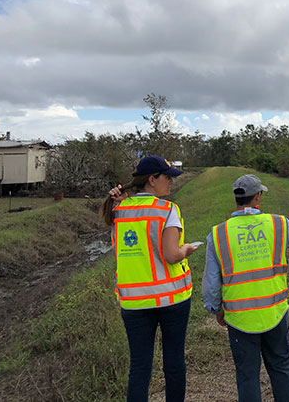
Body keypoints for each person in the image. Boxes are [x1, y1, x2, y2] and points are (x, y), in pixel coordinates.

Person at [202, 174, 289, 402]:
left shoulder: (218, 234)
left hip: (239, 318)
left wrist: (215, 309)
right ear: (258, 197)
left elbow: (212, 282)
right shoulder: (278, 224)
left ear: (236, 198)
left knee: (247, 375)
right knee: (281, 368)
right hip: (275, 312)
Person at [100, 155, 198, 402]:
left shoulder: (119, 210)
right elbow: (172, 255)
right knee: (173, 363)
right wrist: (187, 249)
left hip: (133, 302)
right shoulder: (168, 210)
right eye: (167, 177)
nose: (171, 183)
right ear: (152, 180)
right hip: (172, 298)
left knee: (140, 368)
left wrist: (123, 200)